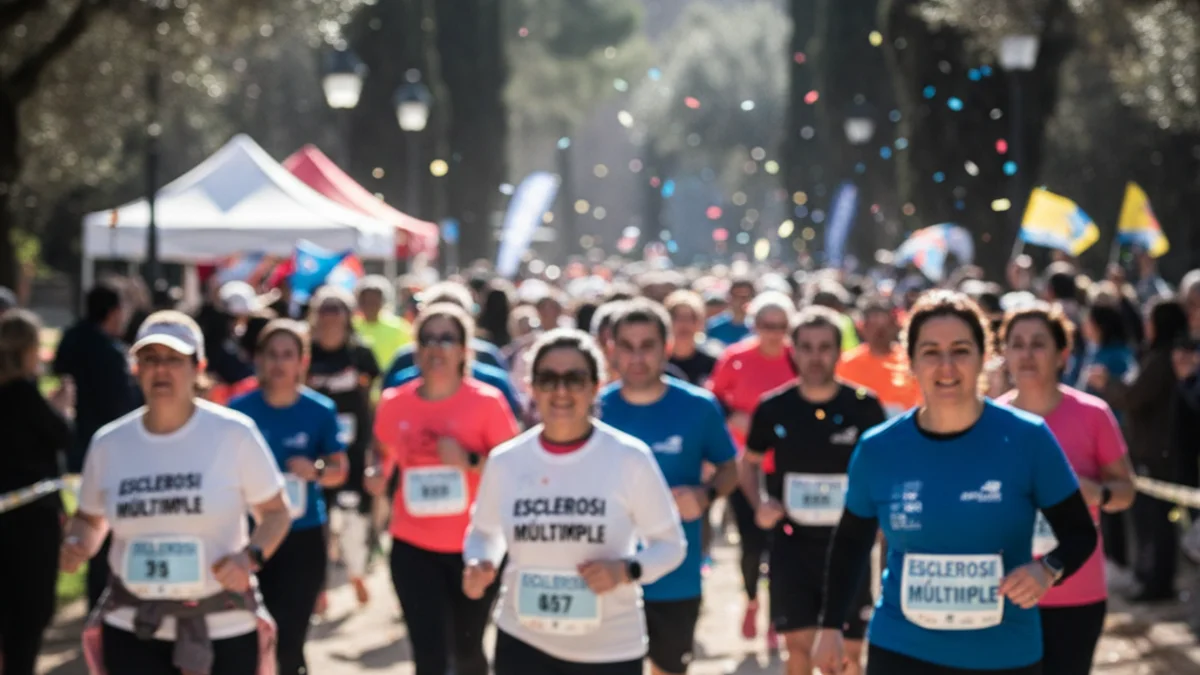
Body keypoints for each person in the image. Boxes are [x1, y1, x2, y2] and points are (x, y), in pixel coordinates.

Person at [812, 290, 1097, 675]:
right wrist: (831, 626)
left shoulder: (1028, 438)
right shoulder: (878, 448)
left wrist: (1047, 569)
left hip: (1003, 654)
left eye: (960, 350)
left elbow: (1080, 533)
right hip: (901, 649)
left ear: (983, 356)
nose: (946, 366)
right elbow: (851, 543)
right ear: (911, 361)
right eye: (931, 352)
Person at [60, 310, 292, 674]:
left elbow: (276, 512)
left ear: (198, 367)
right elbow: (89, 520)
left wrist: (249, 558)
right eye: (150, 359)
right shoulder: (109, 443)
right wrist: (78, 544)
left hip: (223, 625)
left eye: (174, 359)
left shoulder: (234, 434)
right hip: (133, 626)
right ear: (136, 368)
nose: (161, 369)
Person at [462, 328, 687, 675]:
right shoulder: (506, 461)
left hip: (609, 650)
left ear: (596, 386)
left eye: (575, 379)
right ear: (531, 387)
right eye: (548, 379)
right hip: (523, 641)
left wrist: (625, 570)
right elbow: (483, 533)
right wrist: (480, 562)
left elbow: (670, 546)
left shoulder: (629, 458)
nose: (561, 391)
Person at [368, 302, 520, 675]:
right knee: (430, 655)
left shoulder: (487, 402)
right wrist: (376, 471)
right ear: (416, 348)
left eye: (447, 338)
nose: (436, 347)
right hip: (412, 546)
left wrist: (469, 459)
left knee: (467, 651)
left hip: (474, 548)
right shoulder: (395, 402)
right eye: (428, 338)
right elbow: (381, 450)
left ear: (464, 349)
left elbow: (516, 472)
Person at [742, 306, 886, 675]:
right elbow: (749, 461)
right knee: (799, 650)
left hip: (849, 545)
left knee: (848, 655)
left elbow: (885, 467)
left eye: (824, 347)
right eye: (806, 347)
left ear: (839, 352)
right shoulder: (774, 407)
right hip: (793, 546)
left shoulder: (864, 406)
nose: (815, 356)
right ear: (793, 351)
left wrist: (880, 515)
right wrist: (760, 503)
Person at [599, 300, 739, 674]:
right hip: (608, 571)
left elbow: (730, 468)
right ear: (611, 351)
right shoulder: (595, 410)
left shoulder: (699, 407)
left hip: (676, 576)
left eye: (647, 346)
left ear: (668, 347)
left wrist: (706, 495)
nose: (637, 357)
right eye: (627, 346)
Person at [996, 302, 1135, 675]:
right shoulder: (989, 421)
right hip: (1006, 591)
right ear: (1004, 354)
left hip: (1076, 594)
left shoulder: (1093, 415)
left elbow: (1126, 491)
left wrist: (1098, 493)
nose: (1027, 354)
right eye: (1017, 344)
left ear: (1062, 354)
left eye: (1038, 344)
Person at [230, 319, 349, 675]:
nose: (279, 363)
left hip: (303, 536)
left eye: (287, 355)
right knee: (250, 637)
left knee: (290, 637)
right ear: (259, 360)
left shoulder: (320, 410)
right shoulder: (238, 412)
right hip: (251, 537)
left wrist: (316, 469)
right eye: (272, 354)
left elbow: (339, 469)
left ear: (302, 362)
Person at [708, 290, 797, 645]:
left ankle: (776, 617)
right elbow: (714, 399)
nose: (773, 333)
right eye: (766, 325)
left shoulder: (797, 359)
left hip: (785, 468)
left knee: (780, 548)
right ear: (754, 324)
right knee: (750, 544)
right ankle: (751, 599)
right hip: (745, 467)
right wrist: (734, 415)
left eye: (780, 326)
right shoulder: (735, 358)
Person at [1089, 297, 1190, 602]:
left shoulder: (1160, 360)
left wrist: (1108, 384)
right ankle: (1149, 578)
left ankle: (1156, 583)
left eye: (1150, 318)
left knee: (1156, 522)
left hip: (1155, 453)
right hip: (1152, 450)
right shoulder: (1155, 356)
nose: (1145, 324)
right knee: (1149, 521)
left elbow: (1133, 396)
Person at [53, 279, 142, 609]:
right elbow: (125, 405)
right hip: (111, 455)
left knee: (86, 525)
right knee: (105, 530)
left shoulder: (70, 339)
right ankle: (106, 602)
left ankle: (97, 601)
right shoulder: (112, 354)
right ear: (115, 312)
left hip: (74, 449)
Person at [0, 309, 73, 675]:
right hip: (31, 526)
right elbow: (62, 436)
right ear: (27, 350)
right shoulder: (24, 395)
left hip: (18, 520)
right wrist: (62, 409)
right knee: (29, 616)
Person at [305, 287, 381, 607]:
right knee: (318, 518)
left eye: (337, 309)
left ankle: (356, 572)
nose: (331, 316)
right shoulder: (306, 352)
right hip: (315, 449)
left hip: (353, 449)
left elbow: (371, 400)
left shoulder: (360, 353)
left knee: (353, 515)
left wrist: (374, 449)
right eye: (325, 309)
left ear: (349, 316)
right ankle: (319, 585)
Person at [837, 297, 921, 419]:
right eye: (873, 327)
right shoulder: (845, 363)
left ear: (895, 326)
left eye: (884, 327)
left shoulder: (912, 362)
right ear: (862, 327)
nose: (879, 334)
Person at [352, 276, 411, 382]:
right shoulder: (351, 327)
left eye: (374, 300)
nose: (370, 305)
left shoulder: (398, 327)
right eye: (365, 301)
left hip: (391, 384)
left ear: (383, 301)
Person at [665, 290, 721, 387]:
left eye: (690, 318)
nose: (684, 324)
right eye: (677, 317)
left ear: (701, 322)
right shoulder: (657, 362)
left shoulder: (713, 362)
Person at [706, 277, 754, 346]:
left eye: (744, 297)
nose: (740, 301)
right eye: (736, 296)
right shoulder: (714, 326)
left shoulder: (761, 327)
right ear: (729, 298)